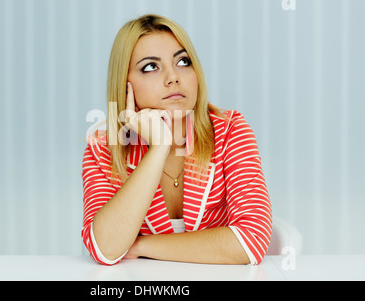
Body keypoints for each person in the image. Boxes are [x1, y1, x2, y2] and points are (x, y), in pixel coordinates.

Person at [82, 14, 272, 265]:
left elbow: (251, 241)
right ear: (124, 84)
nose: (173, 77)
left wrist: (140, 245)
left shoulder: (231, 131)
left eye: (183, 61)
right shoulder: (102, 149)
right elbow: (106, 249)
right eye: (151, 66)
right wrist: (159, 147)